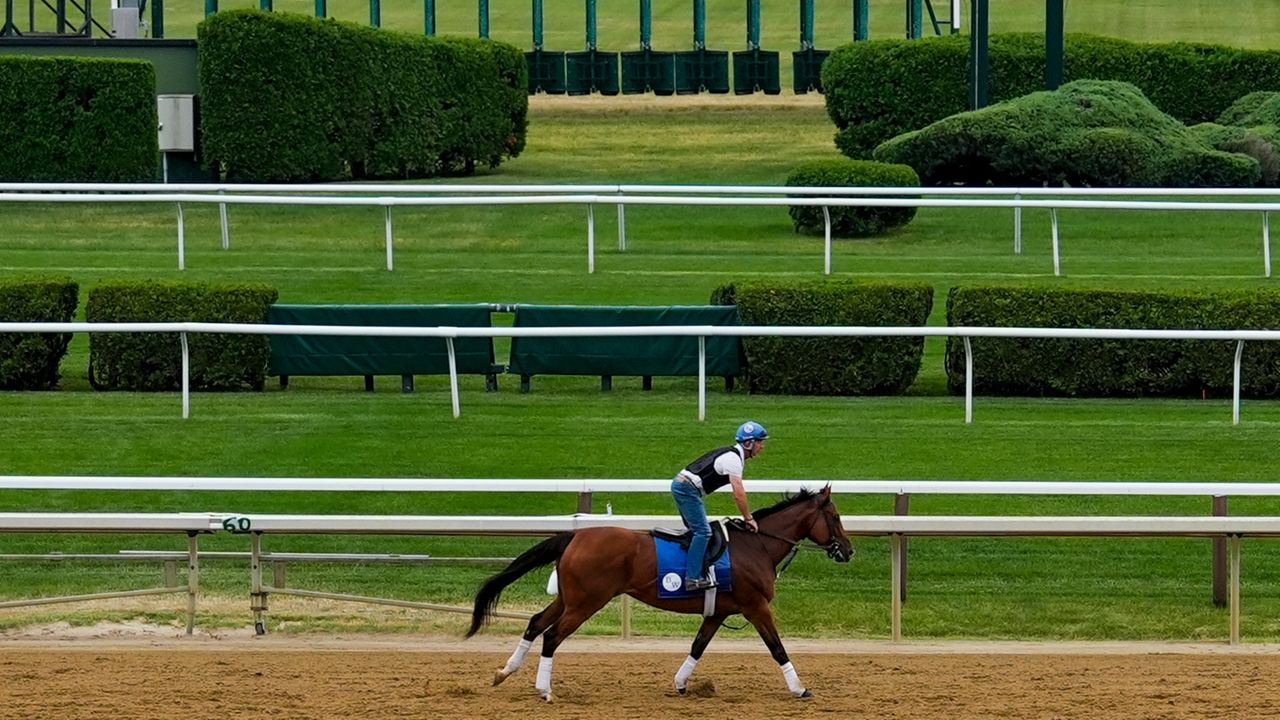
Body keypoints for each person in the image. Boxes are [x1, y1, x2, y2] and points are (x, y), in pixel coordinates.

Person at [670, 421, 767, 591]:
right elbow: (738, 493)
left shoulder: (732, 454)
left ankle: (693, 567)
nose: (762, 446)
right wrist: (748, 518)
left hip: (683, 486)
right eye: (760, 442)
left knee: (696, 531)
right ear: (748, 443)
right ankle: (692, 579)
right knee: (703, 532)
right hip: (687, 489)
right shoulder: (733, 460)